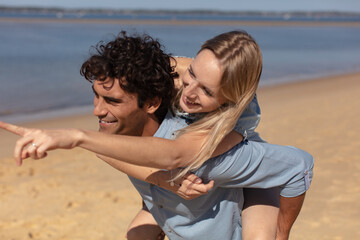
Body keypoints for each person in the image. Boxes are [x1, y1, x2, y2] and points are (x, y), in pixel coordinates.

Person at [0, 30, 313, 240]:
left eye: (110, 100)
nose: (97, 111)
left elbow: (173, 153)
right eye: (96, 96)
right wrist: (162, 181)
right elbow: (110, 149)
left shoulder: (212, 141)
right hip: (170, 207)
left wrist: (74, 137)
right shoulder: (175, 85)